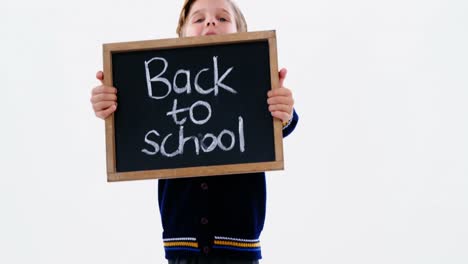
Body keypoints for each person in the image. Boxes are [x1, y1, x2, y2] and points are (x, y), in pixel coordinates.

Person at [90, 0, 299, 263]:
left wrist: (285, 112)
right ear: (182, 34)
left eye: (223, 18)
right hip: (182, 248)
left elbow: (280, 126)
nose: (210, 22)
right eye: (198, 19)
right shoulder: (161, 88)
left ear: (242, 33)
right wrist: (112, 106)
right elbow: (137, 122)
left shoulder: (254, 83)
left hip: (240, 250)